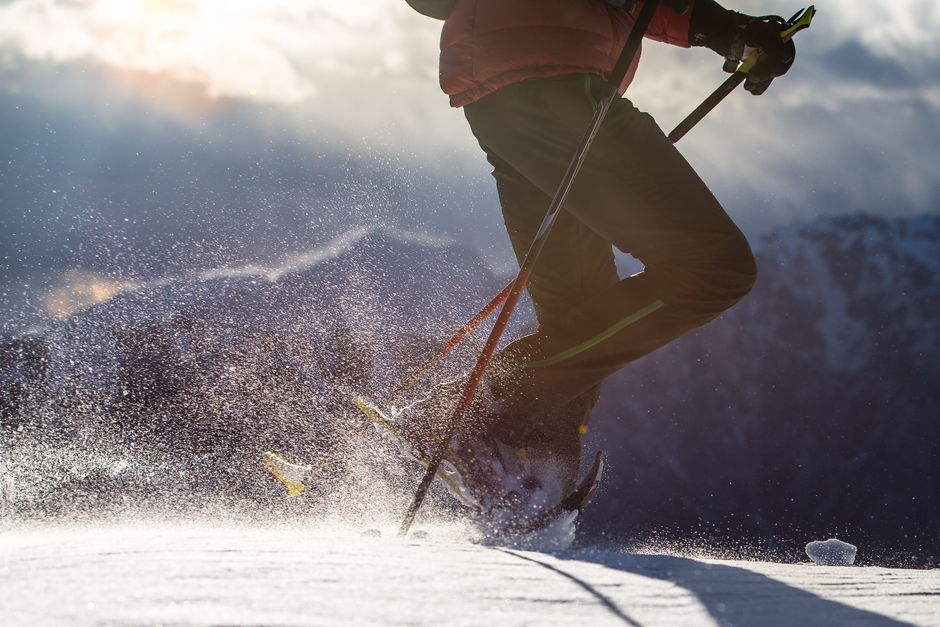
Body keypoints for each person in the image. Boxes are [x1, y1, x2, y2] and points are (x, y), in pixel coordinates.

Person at [395, 0, 796, 515]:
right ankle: (470, 411)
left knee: (584, 312)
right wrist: (728, 30)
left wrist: (731, 32)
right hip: (557, 84)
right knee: (713, 268)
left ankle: (531, 478)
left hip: (502, 92)